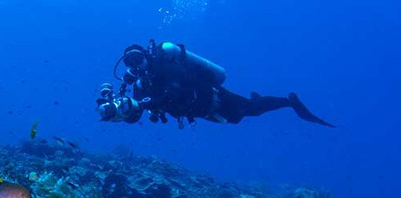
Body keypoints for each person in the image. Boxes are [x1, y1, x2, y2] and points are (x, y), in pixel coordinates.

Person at [97, 41, 333, 127]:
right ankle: (258, 98)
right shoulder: (140, 84)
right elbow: (137, 114)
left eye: (138, 58)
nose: (136, 65)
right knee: (240, 116)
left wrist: (147, 102)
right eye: (130, 62)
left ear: (146, 56)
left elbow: (174, 91)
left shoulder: (165, 67)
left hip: (211, 98)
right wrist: (123, 112)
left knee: (250, 111)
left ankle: (289, 102)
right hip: (201, 110)